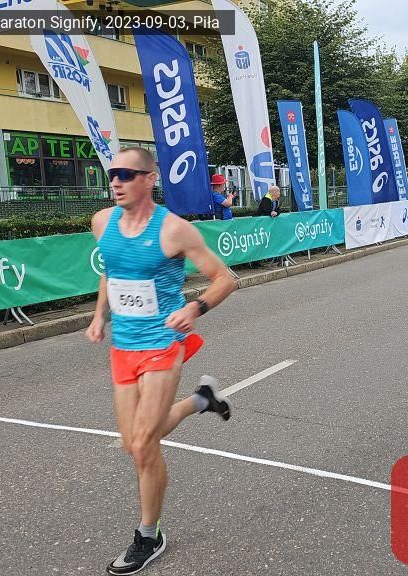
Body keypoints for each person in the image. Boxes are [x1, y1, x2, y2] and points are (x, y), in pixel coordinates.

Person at [86, 147, 237, 576]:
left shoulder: (174, 230)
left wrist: (194, 308)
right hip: (123, 347)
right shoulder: (102, 222)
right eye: (112, 173)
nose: (116, 181)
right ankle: (201, 400)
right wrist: (99, 316)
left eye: (126, 174)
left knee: (142, 446)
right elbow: (111, 270)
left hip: (162, 343)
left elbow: (226, 278)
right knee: (133, 442)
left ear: (149, 179)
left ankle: (148, 535)